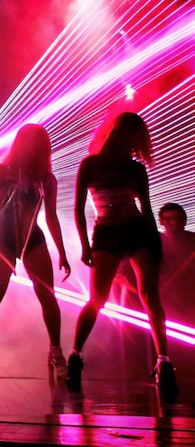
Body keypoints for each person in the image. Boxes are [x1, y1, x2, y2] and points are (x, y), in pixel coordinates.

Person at [66, 112, 178, 400]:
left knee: (143, 297)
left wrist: (155, 243)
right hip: (111, 233)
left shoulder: (130, 168)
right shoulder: (92, 165)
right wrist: (85, 246)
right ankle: (76, 357)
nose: (128, 144)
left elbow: (148, 208)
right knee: (102, 300)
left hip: (129, 230)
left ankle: (163, 362)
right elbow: (78, 209)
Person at [0, 124, 71, 379]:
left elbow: (51, 215)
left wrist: (62, 251)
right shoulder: (2, 171)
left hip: (32, 239)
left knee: (47, 297)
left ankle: (55, 352)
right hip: (3, 239)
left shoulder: (46, 179)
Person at [157, 202, 195, 322]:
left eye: (177, 218)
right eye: (168, 219)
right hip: (169, 302)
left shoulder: (193, 241)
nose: (173, 223)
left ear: (184, 220)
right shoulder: (156, 245)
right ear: (162, 222)